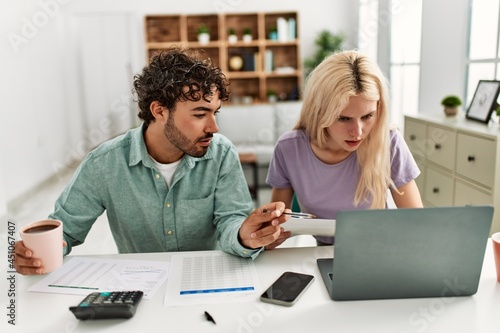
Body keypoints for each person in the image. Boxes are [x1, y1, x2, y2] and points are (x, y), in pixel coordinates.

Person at [14, 47, 287, 275]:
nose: (214, 127)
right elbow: (66, 231)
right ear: (159, 110)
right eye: (200, 114)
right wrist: (32, 254)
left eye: (215, 112)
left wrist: (243, 235)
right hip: (138, 283)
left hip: (206, 277)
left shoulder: (221, 153)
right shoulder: (104, 163)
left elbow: (231, 221)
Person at [266, 50, 423, 248]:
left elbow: (418, 224)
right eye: (343, 118)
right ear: (319, 111)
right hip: (322, 254)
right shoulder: (289, 149)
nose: (357, 132)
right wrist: (271, 232)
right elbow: (273, 235)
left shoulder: (390, 142)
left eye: (367, 116)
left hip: (380, 250)